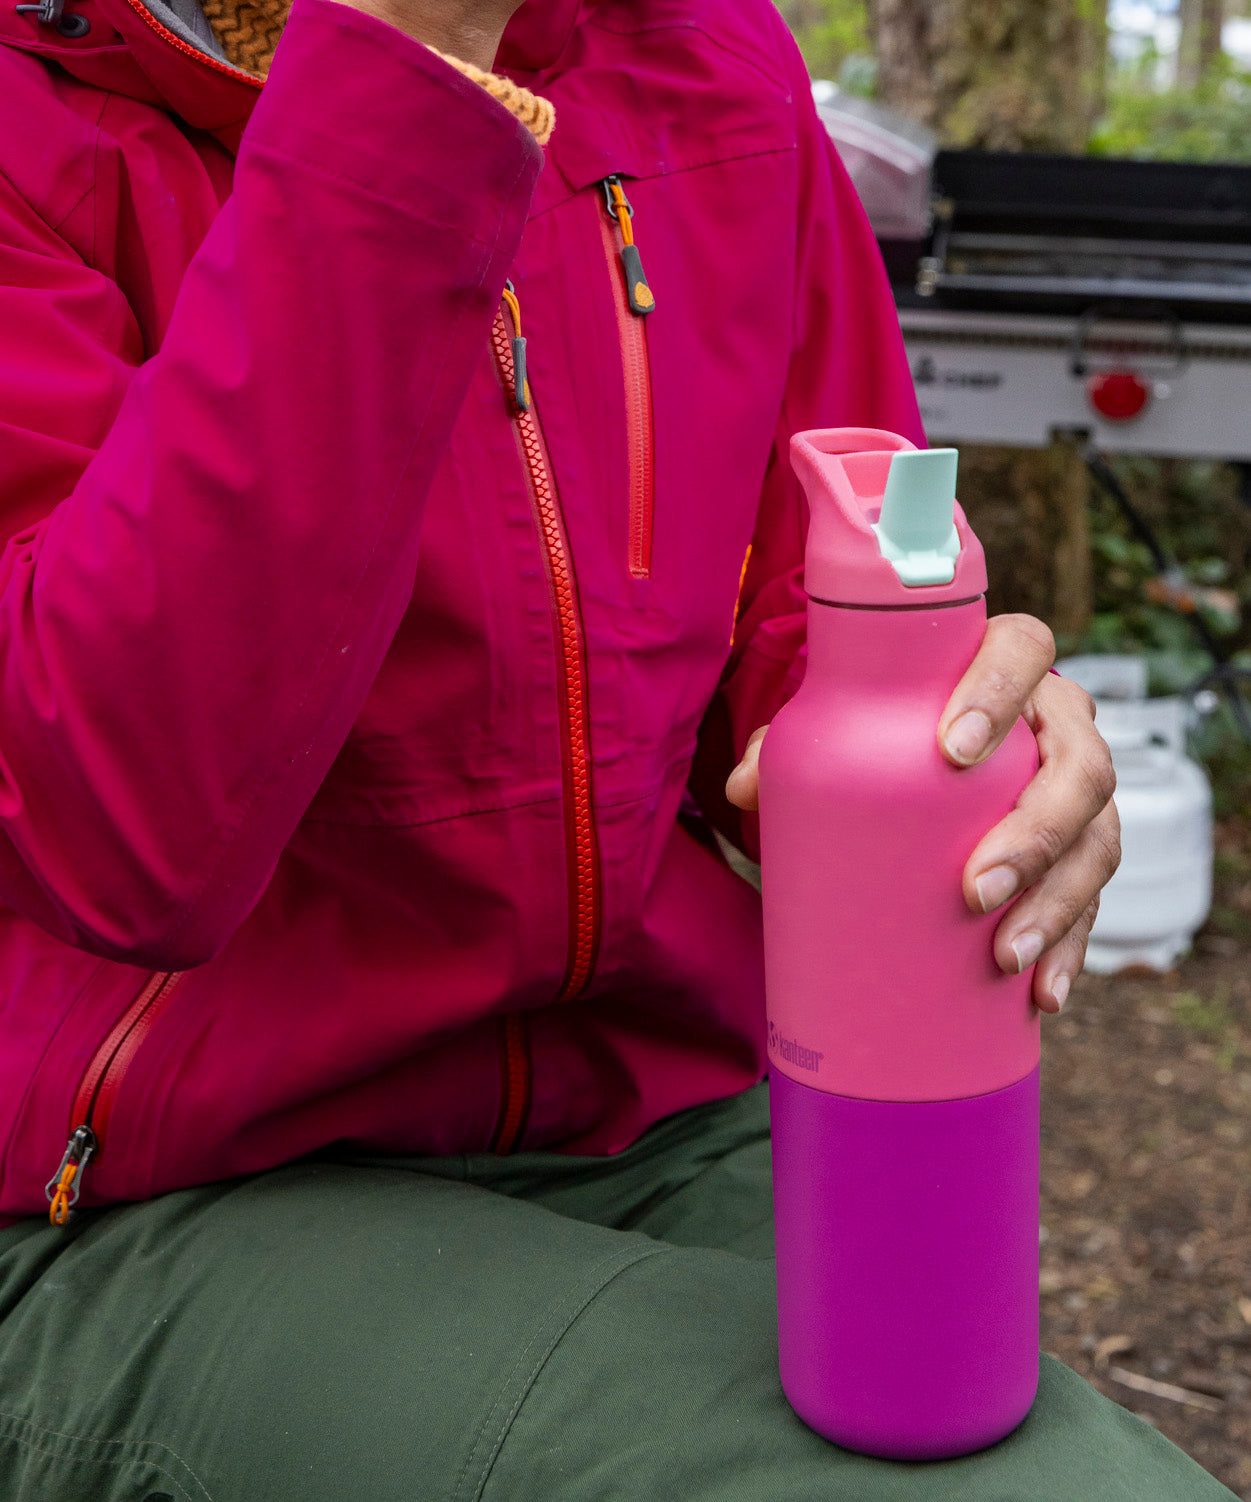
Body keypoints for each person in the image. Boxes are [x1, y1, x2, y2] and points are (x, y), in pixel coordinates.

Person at [0, 0, 1232, 1496]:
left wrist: (963, 741)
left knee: (1006, 1430)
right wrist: (403, 73)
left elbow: (810, 602)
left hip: (655, 1107)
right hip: (151, 1186)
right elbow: (129, 824)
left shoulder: (709, 59)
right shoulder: (38, 112)